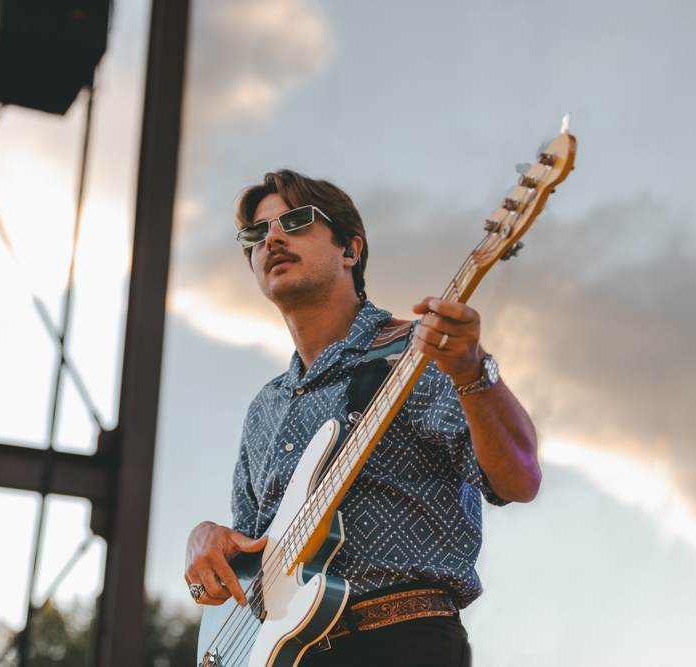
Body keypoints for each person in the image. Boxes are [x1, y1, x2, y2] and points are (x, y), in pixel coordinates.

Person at [185, 170, 541, 666]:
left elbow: (519, 479)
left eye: (294, 220)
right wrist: (205, 540)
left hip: (400, 640)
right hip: (285, 655)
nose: (271, 238)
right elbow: (249, 565)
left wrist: (472, 369)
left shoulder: (417, 352)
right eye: (256, 234)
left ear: (351, 250)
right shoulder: (265, 408)